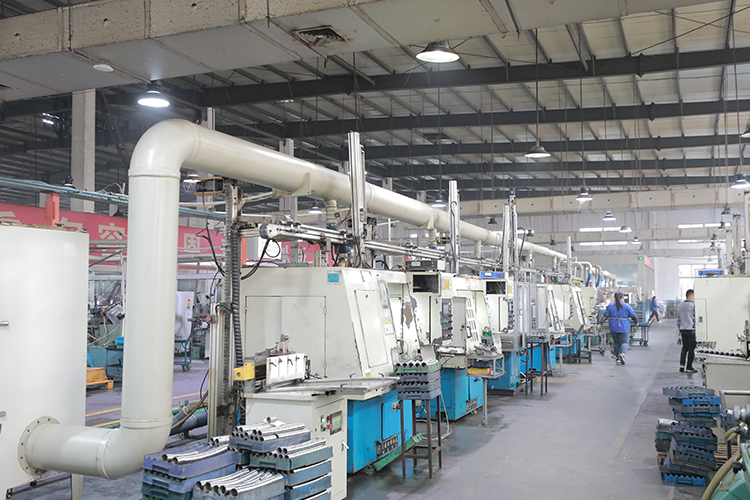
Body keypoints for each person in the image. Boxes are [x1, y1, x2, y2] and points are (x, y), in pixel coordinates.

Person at [603, 292, 638, 365]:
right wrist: (636, 323)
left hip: (613, 327)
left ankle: (617, 358)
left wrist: (600, 323)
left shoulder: (610, 306)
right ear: (622, 297)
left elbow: (605, 316)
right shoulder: (626, 306)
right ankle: (622, 354)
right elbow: (633, 316)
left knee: (616, 342)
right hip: (624, 327)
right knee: (624, 342)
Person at [676, 289, 697, 373]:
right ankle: (689, 367)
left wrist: (680, 329)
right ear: (690, 296)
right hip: (691, 330)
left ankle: (682, 365)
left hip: (683, 330)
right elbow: (695, 319)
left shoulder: (679, 306)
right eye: (693, 296)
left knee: (684, 348)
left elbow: (678, 320)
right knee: (691, 349)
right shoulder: (693, 306)